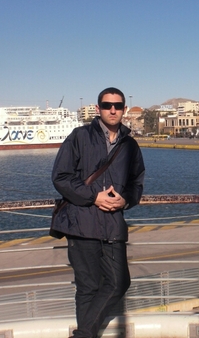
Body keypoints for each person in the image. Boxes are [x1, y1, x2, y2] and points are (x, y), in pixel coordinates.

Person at [51, 87, 145, 338]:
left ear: (124, 109)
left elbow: (137, 183)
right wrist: (94, 196)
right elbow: (60, 177)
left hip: (113, 224)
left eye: (117, 105)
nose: (112, 110)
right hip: (81, 223)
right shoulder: (79, 137)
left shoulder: (130, 145)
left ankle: (83, 334)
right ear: (98, 108)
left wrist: (125, 201)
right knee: (88, 287)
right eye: (106, 105)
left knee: (119, 282)